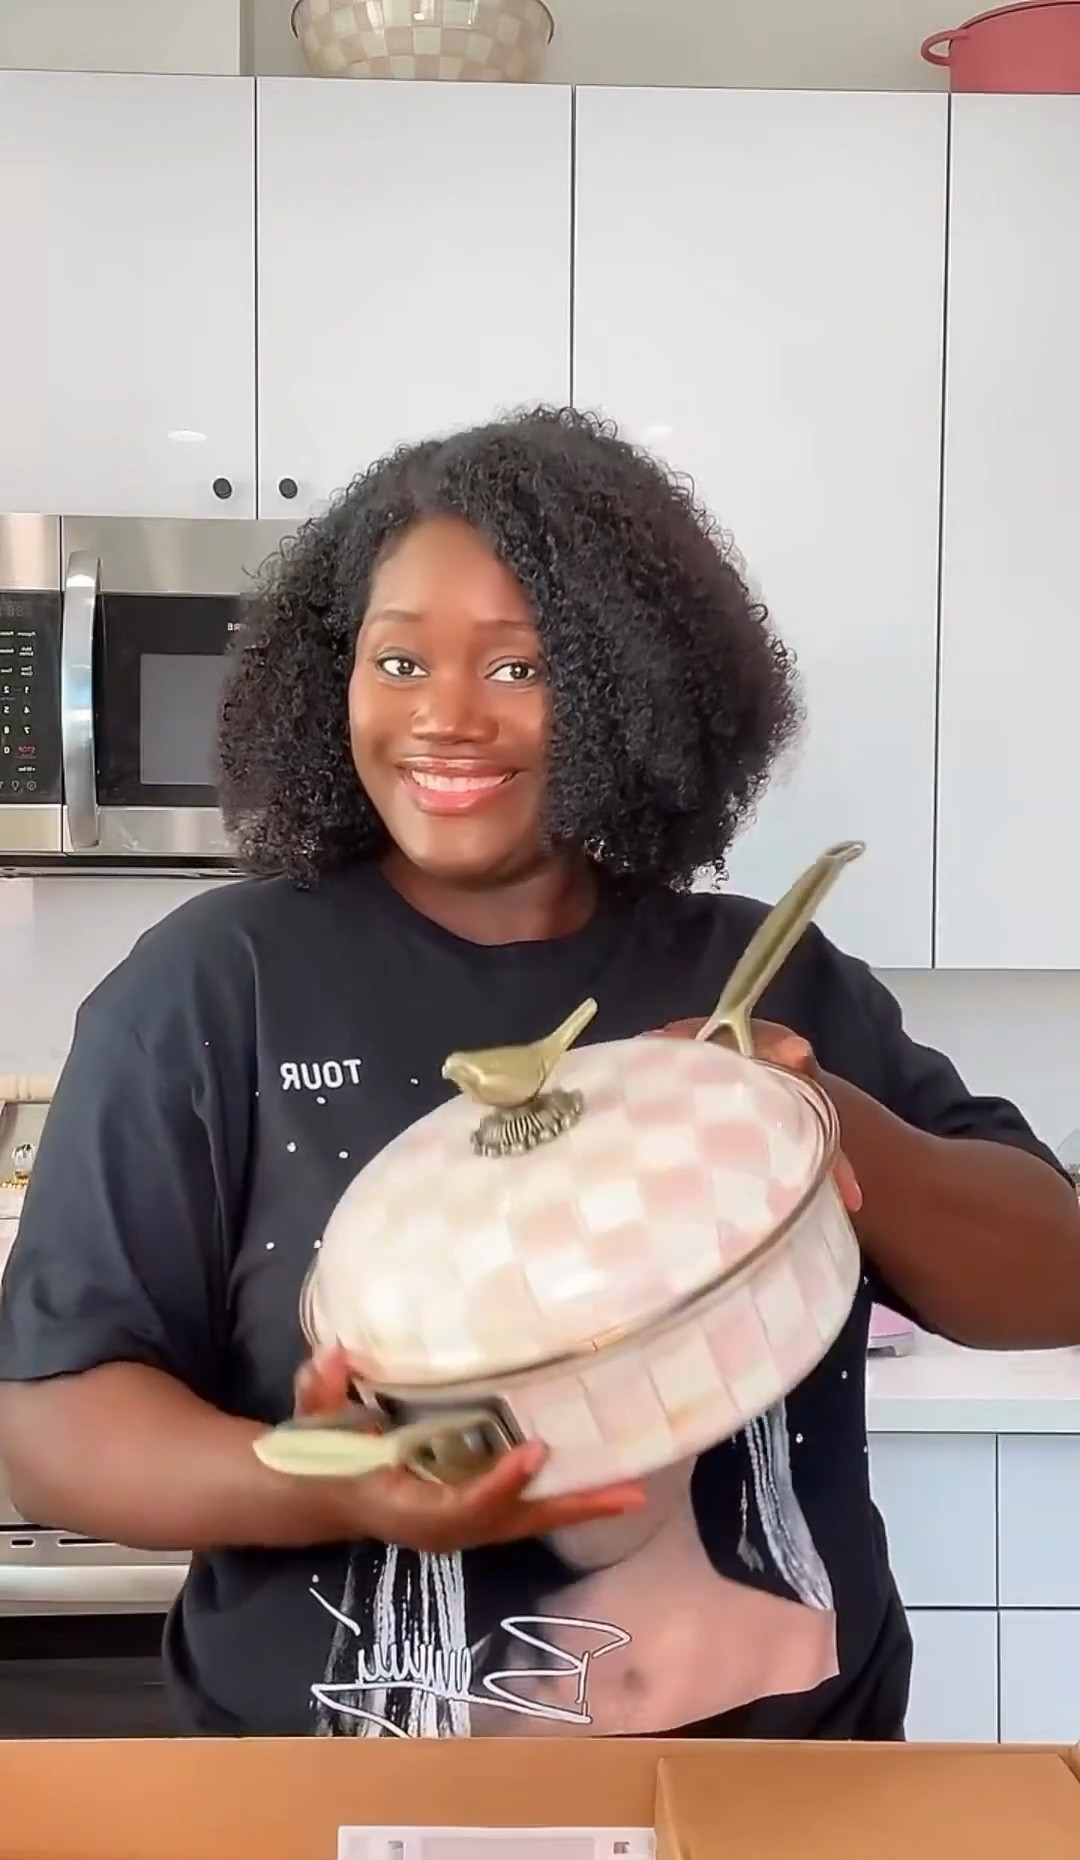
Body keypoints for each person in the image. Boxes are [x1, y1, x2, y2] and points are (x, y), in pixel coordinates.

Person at [0, 407, 1077, 1742]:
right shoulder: (217, 988)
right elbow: (49, 1423)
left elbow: (1058, 1278)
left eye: (519, 668)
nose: (446, 718)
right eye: (398, 660)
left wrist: (820, 1120)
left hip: (781, 1801)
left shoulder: (763, 979)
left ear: (630, 688)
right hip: (343, 1821)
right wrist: (339, 1485)